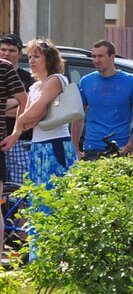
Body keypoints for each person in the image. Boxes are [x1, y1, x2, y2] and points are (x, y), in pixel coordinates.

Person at [0, 38, 77, 224]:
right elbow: (25, 110)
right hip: (38, 146)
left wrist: (26, 118)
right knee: (38, 199)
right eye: (30, 56)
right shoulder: (35, 86)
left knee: (54, 200)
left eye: (36, 56)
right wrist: (16, 133)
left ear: (48, 59)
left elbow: (36, 112)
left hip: (55, 145)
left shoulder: (56, 80)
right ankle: (37, 249)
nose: (32, 61)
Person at [73, 39, 133, 160]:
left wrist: (131, 144)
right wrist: (75, 148)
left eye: (100, 56)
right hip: (92, 146)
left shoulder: (131, 81)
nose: (96, 60)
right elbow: (78, 117)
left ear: (112, 57)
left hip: (121, 147)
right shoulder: (86, 81)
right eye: (93, 56)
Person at [0, 34, 33, 188]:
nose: (6, 54)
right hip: (4, 137)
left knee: (19, 186)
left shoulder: (28, 78)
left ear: (20, 53)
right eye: (3, 50)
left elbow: (30, 105)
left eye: (11, 50)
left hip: (20, 139)